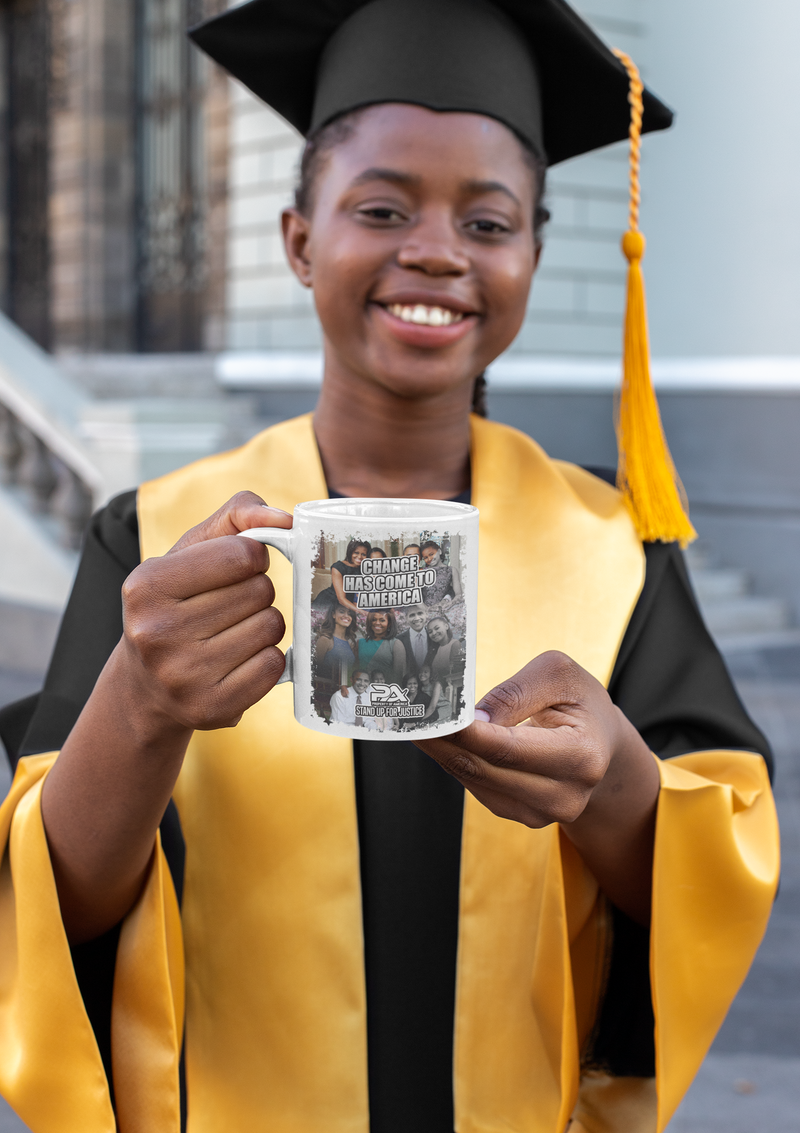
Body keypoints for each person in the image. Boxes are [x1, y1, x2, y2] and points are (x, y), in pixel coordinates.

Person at [0, 2, 778, 1132]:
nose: (435, 250)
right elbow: (50, 908)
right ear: (297, 237)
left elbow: (713, 864)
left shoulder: (612, 547)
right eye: (379, 206)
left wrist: (613, 784)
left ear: (532, 253)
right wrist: (139, 703)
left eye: (487, 220)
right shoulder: (159, 537)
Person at [312, 538, 370, 612]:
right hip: (330, 601)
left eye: (363, 554)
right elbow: (341, 599)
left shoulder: (365, 568)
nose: (359, 557)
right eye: (356, 552)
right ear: (350, 552)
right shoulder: (338, 567)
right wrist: (362, 612)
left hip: (350, 605)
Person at [314, 603, 359, 684]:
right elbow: (315, 670)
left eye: (349, 614)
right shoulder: (325, 640)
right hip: (328, 689)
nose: (346, 616)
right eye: (342, 612)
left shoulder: (351, 645)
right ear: (333, 614)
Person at [357, 610, 405, 686]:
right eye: (374, 620)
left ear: (389, 624)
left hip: (384, 692)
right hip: (362, 691)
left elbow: (398, 677)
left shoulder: (396, 644)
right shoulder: (360, 643)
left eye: (382, 620)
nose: (377, 623)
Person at [420, 540, 462, 607]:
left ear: (439, 551)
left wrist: (449, 605)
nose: (430, 558)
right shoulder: (422, 572)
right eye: (426, 557)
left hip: (446, 609)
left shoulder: (452, 570)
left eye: (431, 554)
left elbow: (458, 594)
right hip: (426, 611)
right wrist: (427, 610)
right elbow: (417, 598)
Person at [397, 603, 431, 677]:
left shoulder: (434, 637)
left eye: (420, 613)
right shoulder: (399, 640)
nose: (417, 618)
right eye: (412, 615)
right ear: (406, 618)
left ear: (426, 614)